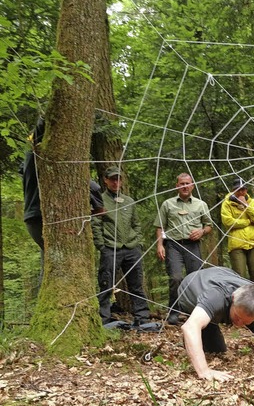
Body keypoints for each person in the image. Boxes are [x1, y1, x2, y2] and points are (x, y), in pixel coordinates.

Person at [19, 118, 105, 284]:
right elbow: (33, 144)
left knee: (49, 263)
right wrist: (44, 121)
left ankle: (49, 302)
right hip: (40, 217)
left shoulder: (37, 168)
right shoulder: (32, 164)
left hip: (38, 219)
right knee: (57, 262)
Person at [177, 266, 254, 382]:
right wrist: (204, 371)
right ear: (233, 299)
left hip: (221, 275)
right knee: (215, 349)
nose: (240, 324)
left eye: (245, 322)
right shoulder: (215, 297)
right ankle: (197, 335)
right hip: (190, 289)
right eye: (237, 317)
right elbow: (190, 327)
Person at [92, 166, 150, 325]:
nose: (115, 182)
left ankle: (142, 318)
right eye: (112, 179)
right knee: (106, 284)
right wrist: (102, 246)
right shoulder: (100, 199)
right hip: (110, 248)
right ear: (105, 180)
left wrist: (138, 242)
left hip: (132, 248)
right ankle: (103, 319)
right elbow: (96, 224)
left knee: (136, 285)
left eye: (118, 179)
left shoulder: (129, 201)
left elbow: (136, 224)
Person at [154, 173, 213, 324]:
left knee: (195, 279)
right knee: (176, 278)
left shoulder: (201, 204)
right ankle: (173, 311)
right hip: (173, 245)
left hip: (193, 245)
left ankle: (196, 313)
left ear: (192, 185)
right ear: (177, 186)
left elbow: (209, 225)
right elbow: (160, 226)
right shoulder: (167, 204)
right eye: (182, 183)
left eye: (187, 183)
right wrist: (160, 245)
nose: (185, 186)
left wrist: (201, 232)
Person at [221, 177, 254, 286]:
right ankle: (240, 302)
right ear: (233, 190)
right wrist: (247, 221)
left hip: (253, 242)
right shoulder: (227, 203)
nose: (241, 192)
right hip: (236, 244)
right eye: (238, 190)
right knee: (239, 277)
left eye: (243, 189)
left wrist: (246, 205)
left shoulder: (252, 202)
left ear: (246, 190)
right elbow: (228, 222)